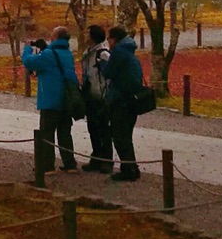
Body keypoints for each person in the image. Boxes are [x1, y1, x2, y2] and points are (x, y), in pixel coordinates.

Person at [22, 30, 79, 171]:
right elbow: (54, 60)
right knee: (65, 133)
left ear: (56, 37)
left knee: (47, 133)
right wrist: (46, 48)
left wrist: (28, 48)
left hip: (50, 99)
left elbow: (29, 62)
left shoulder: (48, 55)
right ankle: (70, 163)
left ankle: (47, 166)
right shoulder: (67, 53)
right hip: (66, 99)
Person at [103, 25, 143, 181]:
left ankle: (129, 169)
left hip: (121, 99)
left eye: (109, 39)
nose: (108, 43)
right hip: (131, 98)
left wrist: (102, 64)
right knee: (125, 135)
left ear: (114, 39)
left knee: (120, 135)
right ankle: (130, 166)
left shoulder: (118, 53)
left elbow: (109, 72)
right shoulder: (128, 52)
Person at [79, 24, 114, 173]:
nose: (85, 36)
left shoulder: (102, 53)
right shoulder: (88, 53)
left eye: (88, 34)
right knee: (92, 128)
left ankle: (106, 160)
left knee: (103, 129)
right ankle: (96, 157)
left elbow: (109, 75)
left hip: (101, 95)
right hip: (90, 94)